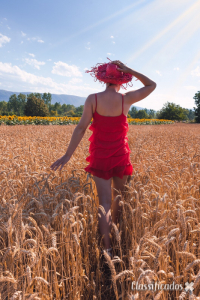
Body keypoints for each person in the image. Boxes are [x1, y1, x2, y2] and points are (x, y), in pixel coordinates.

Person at [50, 60, 157, 258]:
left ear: (104, 79)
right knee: (118, 199)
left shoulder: (93, 99)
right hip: (120, 156)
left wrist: (67, 155)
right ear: (122, 80)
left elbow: (81, 128)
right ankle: (115, 236)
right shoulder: (126, 99)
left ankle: (106, 248)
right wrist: (132, 70)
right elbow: (152, 85)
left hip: (99, 158)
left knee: (105, 203)